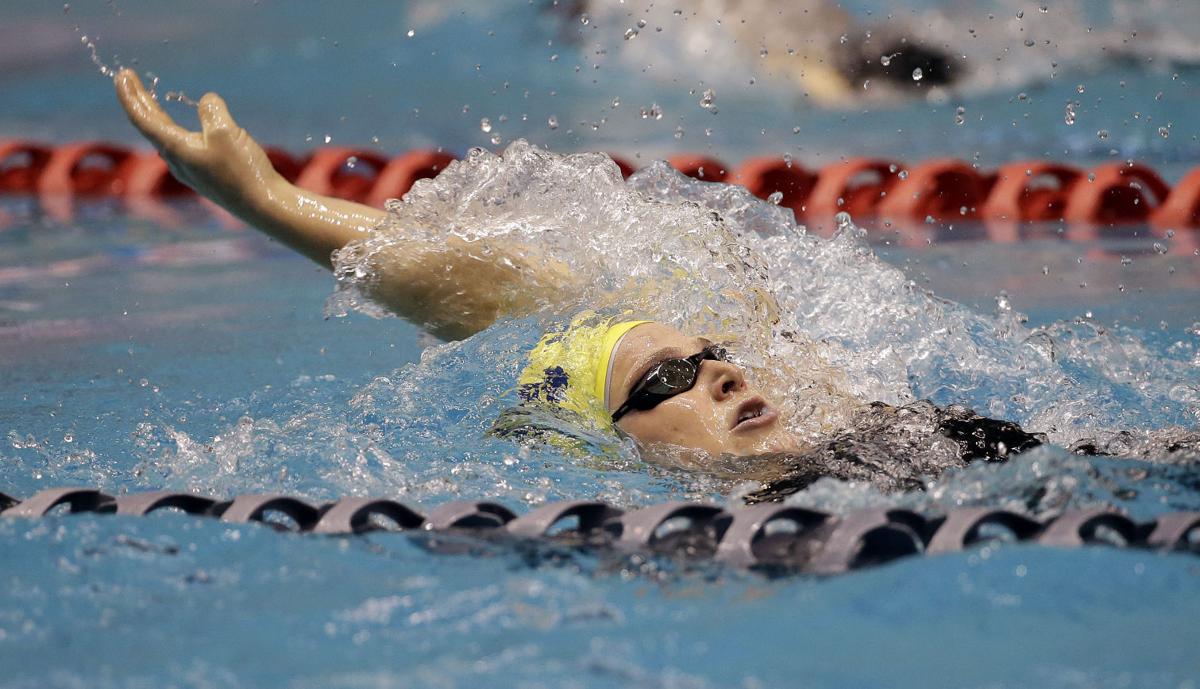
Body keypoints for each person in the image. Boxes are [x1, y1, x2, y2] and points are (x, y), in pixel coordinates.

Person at [113, 68, 1048, 498]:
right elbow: (478, 295)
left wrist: (276, 196)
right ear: (611, 448)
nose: (717, 374)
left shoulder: (902, 431)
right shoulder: (676, 543)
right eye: (663, 382)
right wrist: (268, 201)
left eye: (710, 357)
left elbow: (493, 282)